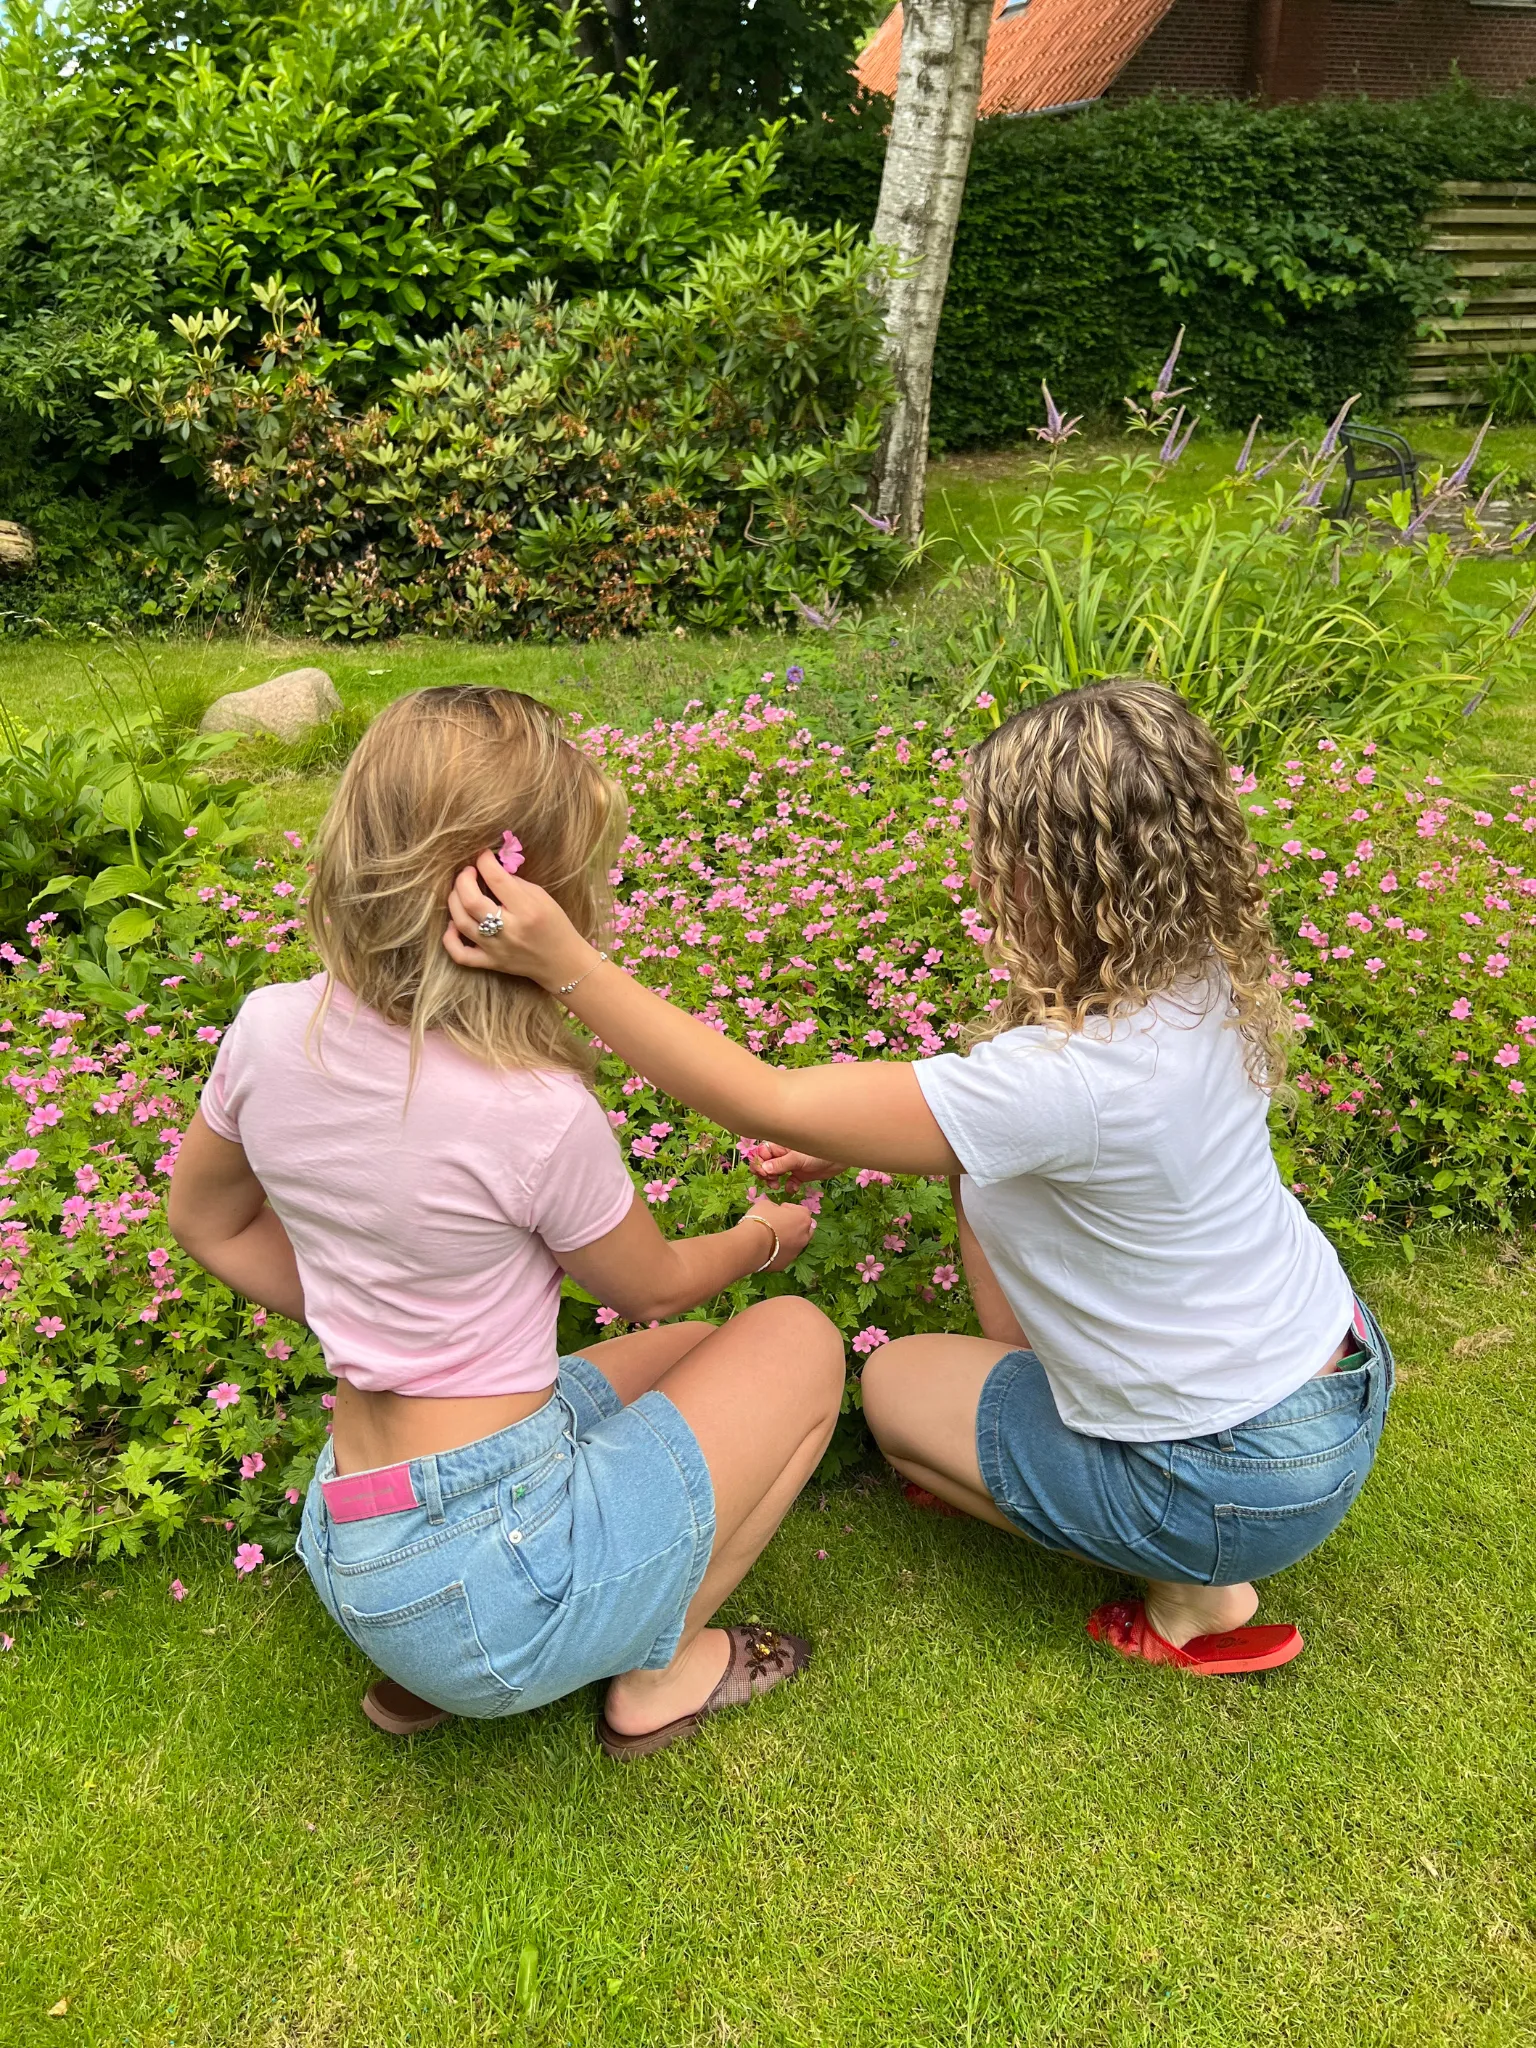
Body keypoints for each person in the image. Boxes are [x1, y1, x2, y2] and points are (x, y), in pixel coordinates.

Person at [443, 678, 1394, 1678]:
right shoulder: (1199, 966)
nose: (989, 881)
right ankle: (1065, 1444)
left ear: (1052, 873)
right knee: (989, 1184)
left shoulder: (1072, 1083)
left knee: (895, 1394)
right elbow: (1030, 1127)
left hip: (1233, 1478)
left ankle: (1201, 1601)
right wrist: (861, 1139)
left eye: (999, 855)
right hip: (1335, 1373)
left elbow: (767, 1098)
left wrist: (566, 962)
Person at [169, 686, 840, 1759]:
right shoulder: (530, 1107)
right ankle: (661, 1669)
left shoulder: (269, 1029)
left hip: (353, 1526)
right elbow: (654, 1280)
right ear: (533, 896)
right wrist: (770, 1235)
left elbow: (202, 1220)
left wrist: (357, 1303)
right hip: (488, 1569)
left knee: (706, 1357)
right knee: (797, 1339)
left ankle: (424, 1668)